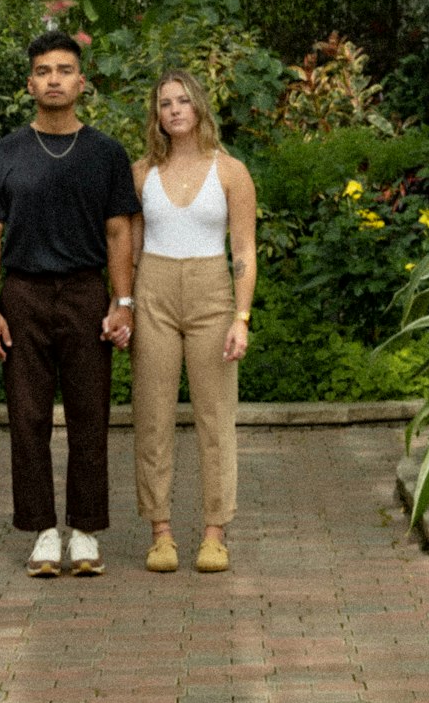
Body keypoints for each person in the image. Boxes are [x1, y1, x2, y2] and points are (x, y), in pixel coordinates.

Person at [0, 31, 138, 578]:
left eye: (65, 70)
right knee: (28, 417)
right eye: (44, 71)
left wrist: (123, 303)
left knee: (91, 414)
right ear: (30, 83)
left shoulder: (106, 153)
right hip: (24, 295)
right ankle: (42, 531)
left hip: (88, 295)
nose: (55, 79)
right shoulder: (5, 154)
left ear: (82, 82)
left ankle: (85, 532)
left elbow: (118, 234)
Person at [130, 69, 257, 573]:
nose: (175, 110)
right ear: (156, 115)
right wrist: (123, 306)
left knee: (216, 416)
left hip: (211, 293)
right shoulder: (141, 173)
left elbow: (244, 250)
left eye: (183, 100)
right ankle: (160, 532)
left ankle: (214, 532)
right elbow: (131, 248)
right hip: (153, 292)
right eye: (165, 104)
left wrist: (241, 318)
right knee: (152, 415)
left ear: (199, 107)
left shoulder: (230, 172)